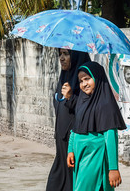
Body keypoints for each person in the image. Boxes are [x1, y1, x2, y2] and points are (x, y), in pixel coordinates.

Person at [66, 61, 126, 191]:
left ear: (97, 78)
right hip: (79, 156)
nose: (84, 84)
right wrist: (70, 149)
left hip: (94, 157)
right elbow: (75, 128)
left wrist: (113, 168)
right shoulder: (82, 102)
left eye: (87, 79)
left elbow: (111, 138)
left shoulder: (105, 105)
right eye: (81, 81)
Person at [46, 49, 91, 191]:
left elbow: (88, 109)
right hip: (61, 138)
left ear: (76, 55)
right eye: (60, 54)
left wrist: (71, 97)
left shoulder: (85, 80)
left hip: (75, 140)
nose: (61, 58)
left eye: (66, 54)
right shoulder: (64, 77)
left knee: (73, 179)